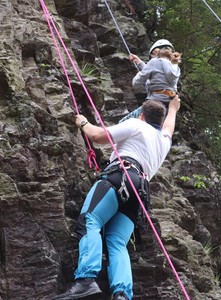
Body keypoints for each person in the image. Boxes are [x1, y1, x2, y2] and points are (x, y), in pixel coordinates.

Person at [53, 95, 181, 300]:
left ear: (142, 115)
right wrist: (173, 109)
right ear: (159, 120)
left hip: (121, 176)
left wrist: (83, 122)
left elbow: (98, 136)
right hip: (140, 193)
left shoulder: (136, 125)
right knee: (117, 243)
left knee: (90, 221)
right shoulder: (163, 141)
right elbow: (169, 128)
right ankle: (121, 294)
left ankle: (85, 280)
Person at [119, 39, 181, 122]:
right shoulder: (175, 68)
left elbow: (136, 83)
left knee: (123, 122)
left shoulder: (154, 62)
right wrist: (139, 63)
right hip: (168, 106)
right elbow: (158, 74)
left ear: (154, 53)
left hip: (153, 104)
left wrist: (139, 75)